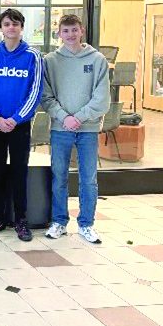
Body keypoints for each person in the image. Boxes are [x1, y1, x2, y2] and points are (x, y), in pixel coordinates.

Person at [42, 14, 109, 244]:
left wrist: (78, 118)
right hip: (60, 129)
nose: (70, 35)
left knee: (88, 179)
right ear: (59, 34)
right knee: (58, 176)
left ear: (82, 31)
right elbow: (46, 96)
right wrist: (64, 117)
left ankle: (86, 224)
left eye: (74, 30)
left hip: (88, 130)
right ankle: (59, 221)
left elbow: (102, 100)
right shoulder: (50, 61)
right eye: (66, 30)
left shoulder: (98, 60)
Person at [0, 8, 43, 242]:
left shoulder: (33, 57)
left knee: (19, 172)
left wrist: (16, 119)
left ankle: (21, 220)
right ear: (1, 28)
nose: (11, 28)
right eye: (7, 24)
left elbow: (35, 92)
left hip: (20, 126)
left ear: (21, 27)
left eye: (15, 24)